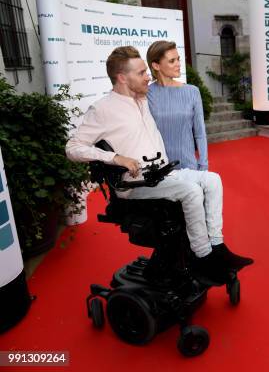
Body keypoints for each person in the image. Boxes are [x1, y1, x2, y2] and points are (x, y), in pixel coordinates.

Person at [65, 46, 253, 284]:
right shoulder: (103, 109)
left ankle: (216, 246)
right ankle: (203, 256)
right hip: (136, 184)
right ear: (123, 77)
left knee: (212, 180)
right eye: (142, 72)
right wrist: (115, 158)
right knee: (191, 191)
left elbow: (168, 92)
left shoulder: (142, 99)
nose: (147, 77)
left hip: (162, 175)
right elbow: (72, 148)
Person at [145, 41, 208, 172]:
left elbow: (200, 133)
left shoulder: (192, 92)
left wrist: (203, 164)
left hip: (188, 166)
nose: (179, 64)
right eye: (172, 61)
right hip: (159, 168)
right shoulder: (146, 94)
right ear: (156, 65)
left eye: (178, 59)